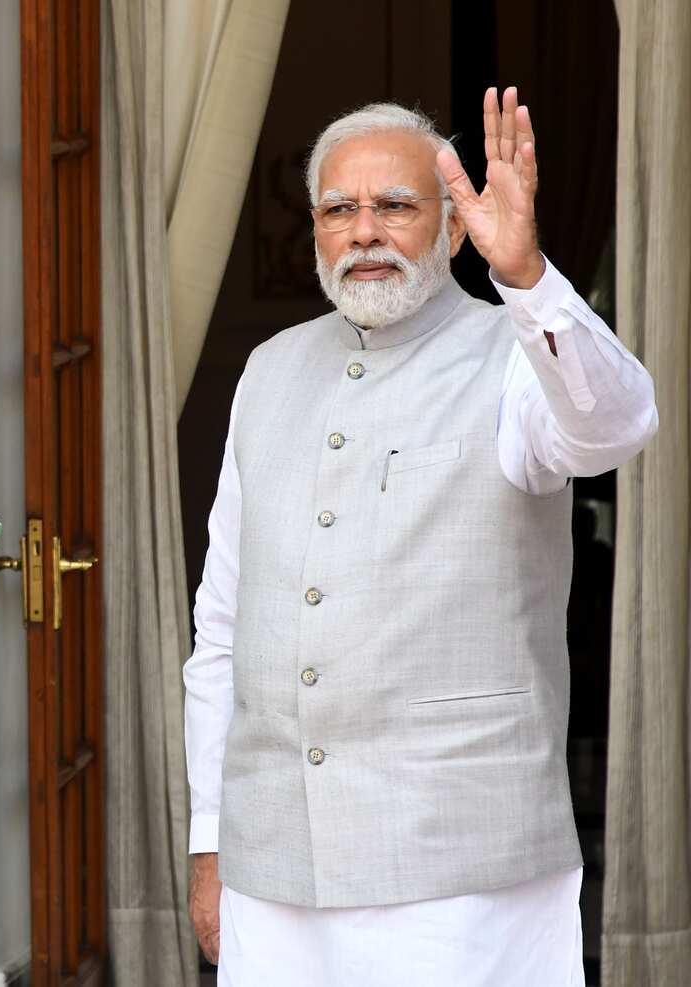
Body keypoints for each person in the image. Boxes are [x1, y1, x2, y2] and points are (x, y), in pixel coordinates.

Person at [183, 89, 657, 985]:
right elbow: (222, 630)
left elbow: (617, 427)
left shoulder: (517, 355)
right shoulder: (269, 369)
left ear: (450, 228)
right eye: (339, 210)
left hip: (461, 864)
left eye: (396, 206)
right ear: (316, 230)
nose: (366, 231)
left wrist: (528, 277)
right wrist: (212, 838)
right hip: (276, 861)